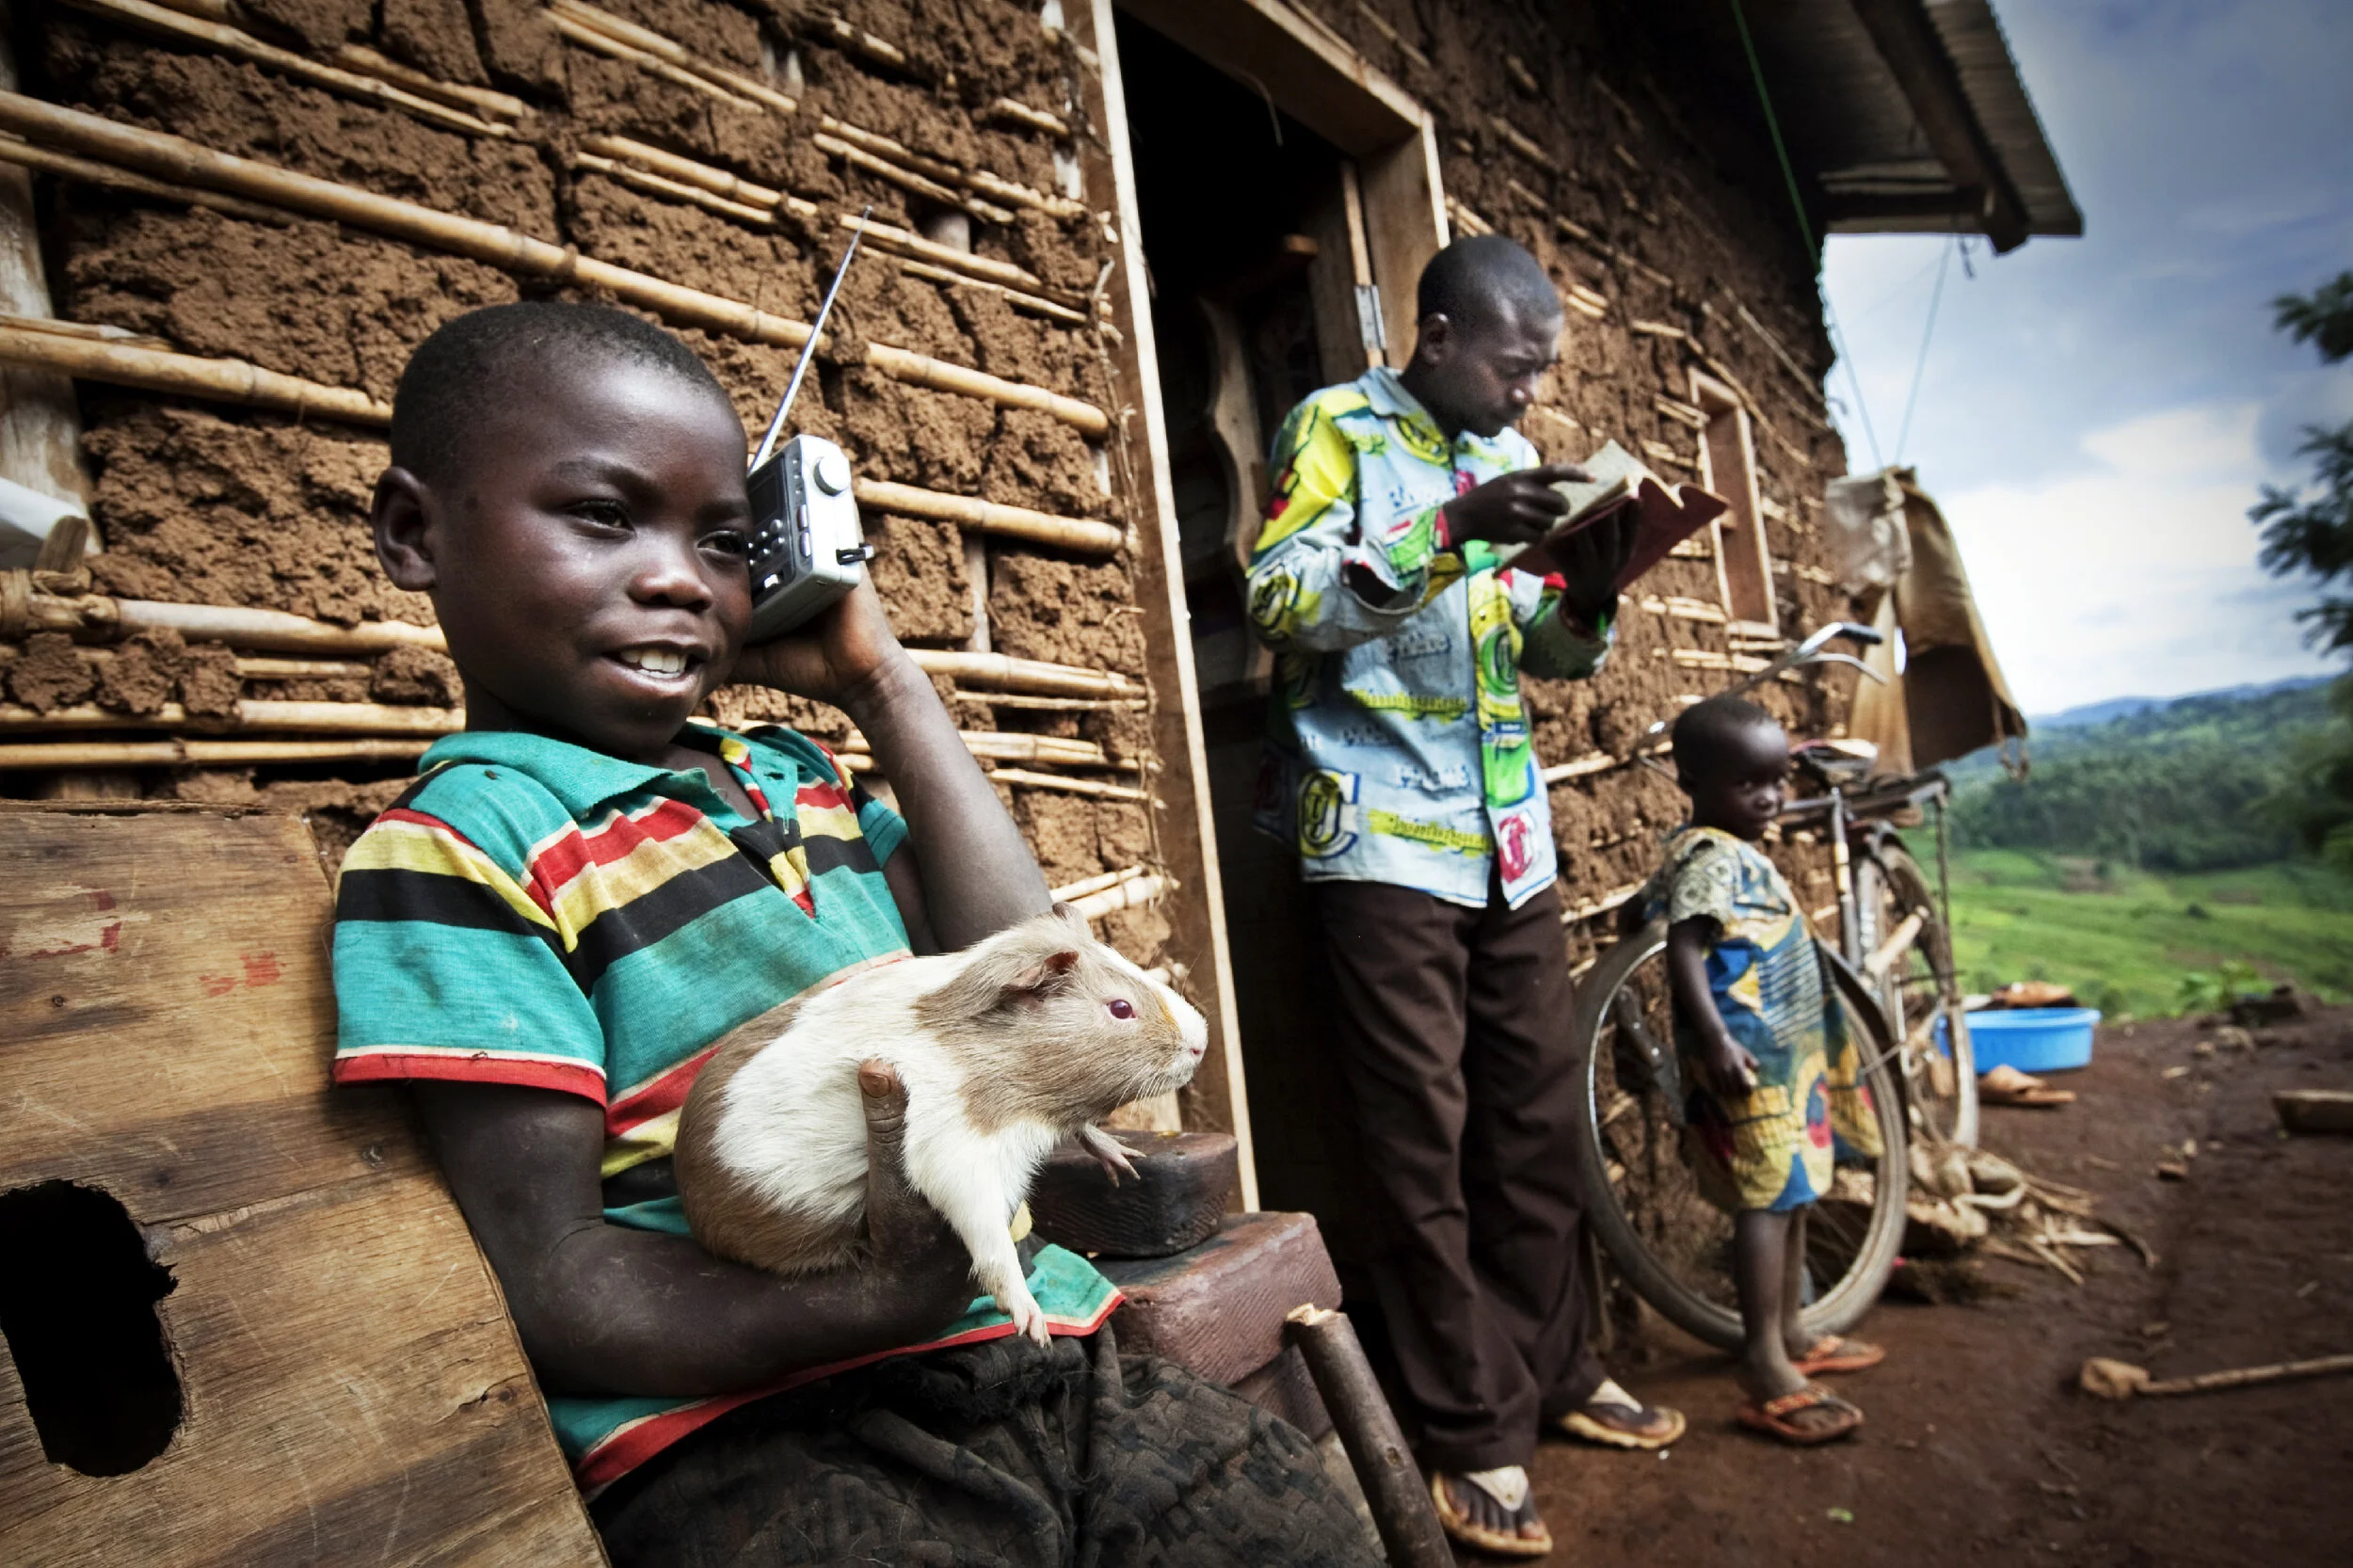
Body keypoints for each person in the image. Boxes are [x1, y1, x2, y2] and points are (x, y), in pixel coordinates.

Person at [330, 301, 1381, 1568]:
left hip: (1027, 1342)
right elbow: (557, 1276)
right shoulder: (466, 844)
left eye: (726, 541)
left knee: (1299, 1529)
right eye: (604, 516)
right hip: (752, 1428)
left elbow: (1027, 964)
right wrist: (869, 1302)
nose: (680, 579)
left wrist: (885, 685)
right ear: (415, 533)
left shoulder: (796, 777)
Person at [1244, 234, 1683, 1559]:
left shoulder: (1512, 459)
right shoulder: (1337, 428)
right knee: (1418, 1140)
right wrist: (1448, 532)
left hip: (1509, 842)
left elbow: (1540, 646)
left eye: (1541, 370)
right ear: (1436, 337)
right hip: (1383, 838)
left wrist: (1586, 597)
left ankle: (1558, 1369)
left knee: (1536, 1118)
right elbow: (1279, 597)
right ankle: (1471, 1421)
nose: (1528, 393)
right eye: (1514, 365)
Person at [1640, 696, 1887, 1447]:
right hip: (1746, 1060)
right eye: (1749, 784)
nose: (1770, 797)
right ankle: (1764, 1362)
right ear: (1692, 783)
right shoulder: (1711, 856)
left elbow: (1644, 914)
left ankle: (1792, 1331)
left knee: (1794, 1191)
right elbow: (1682, 947)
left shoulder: (1721, 850)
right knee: (1767, 1200)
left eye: (1777, 781)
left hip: (1783, 1059)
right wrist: (1715, 1040)